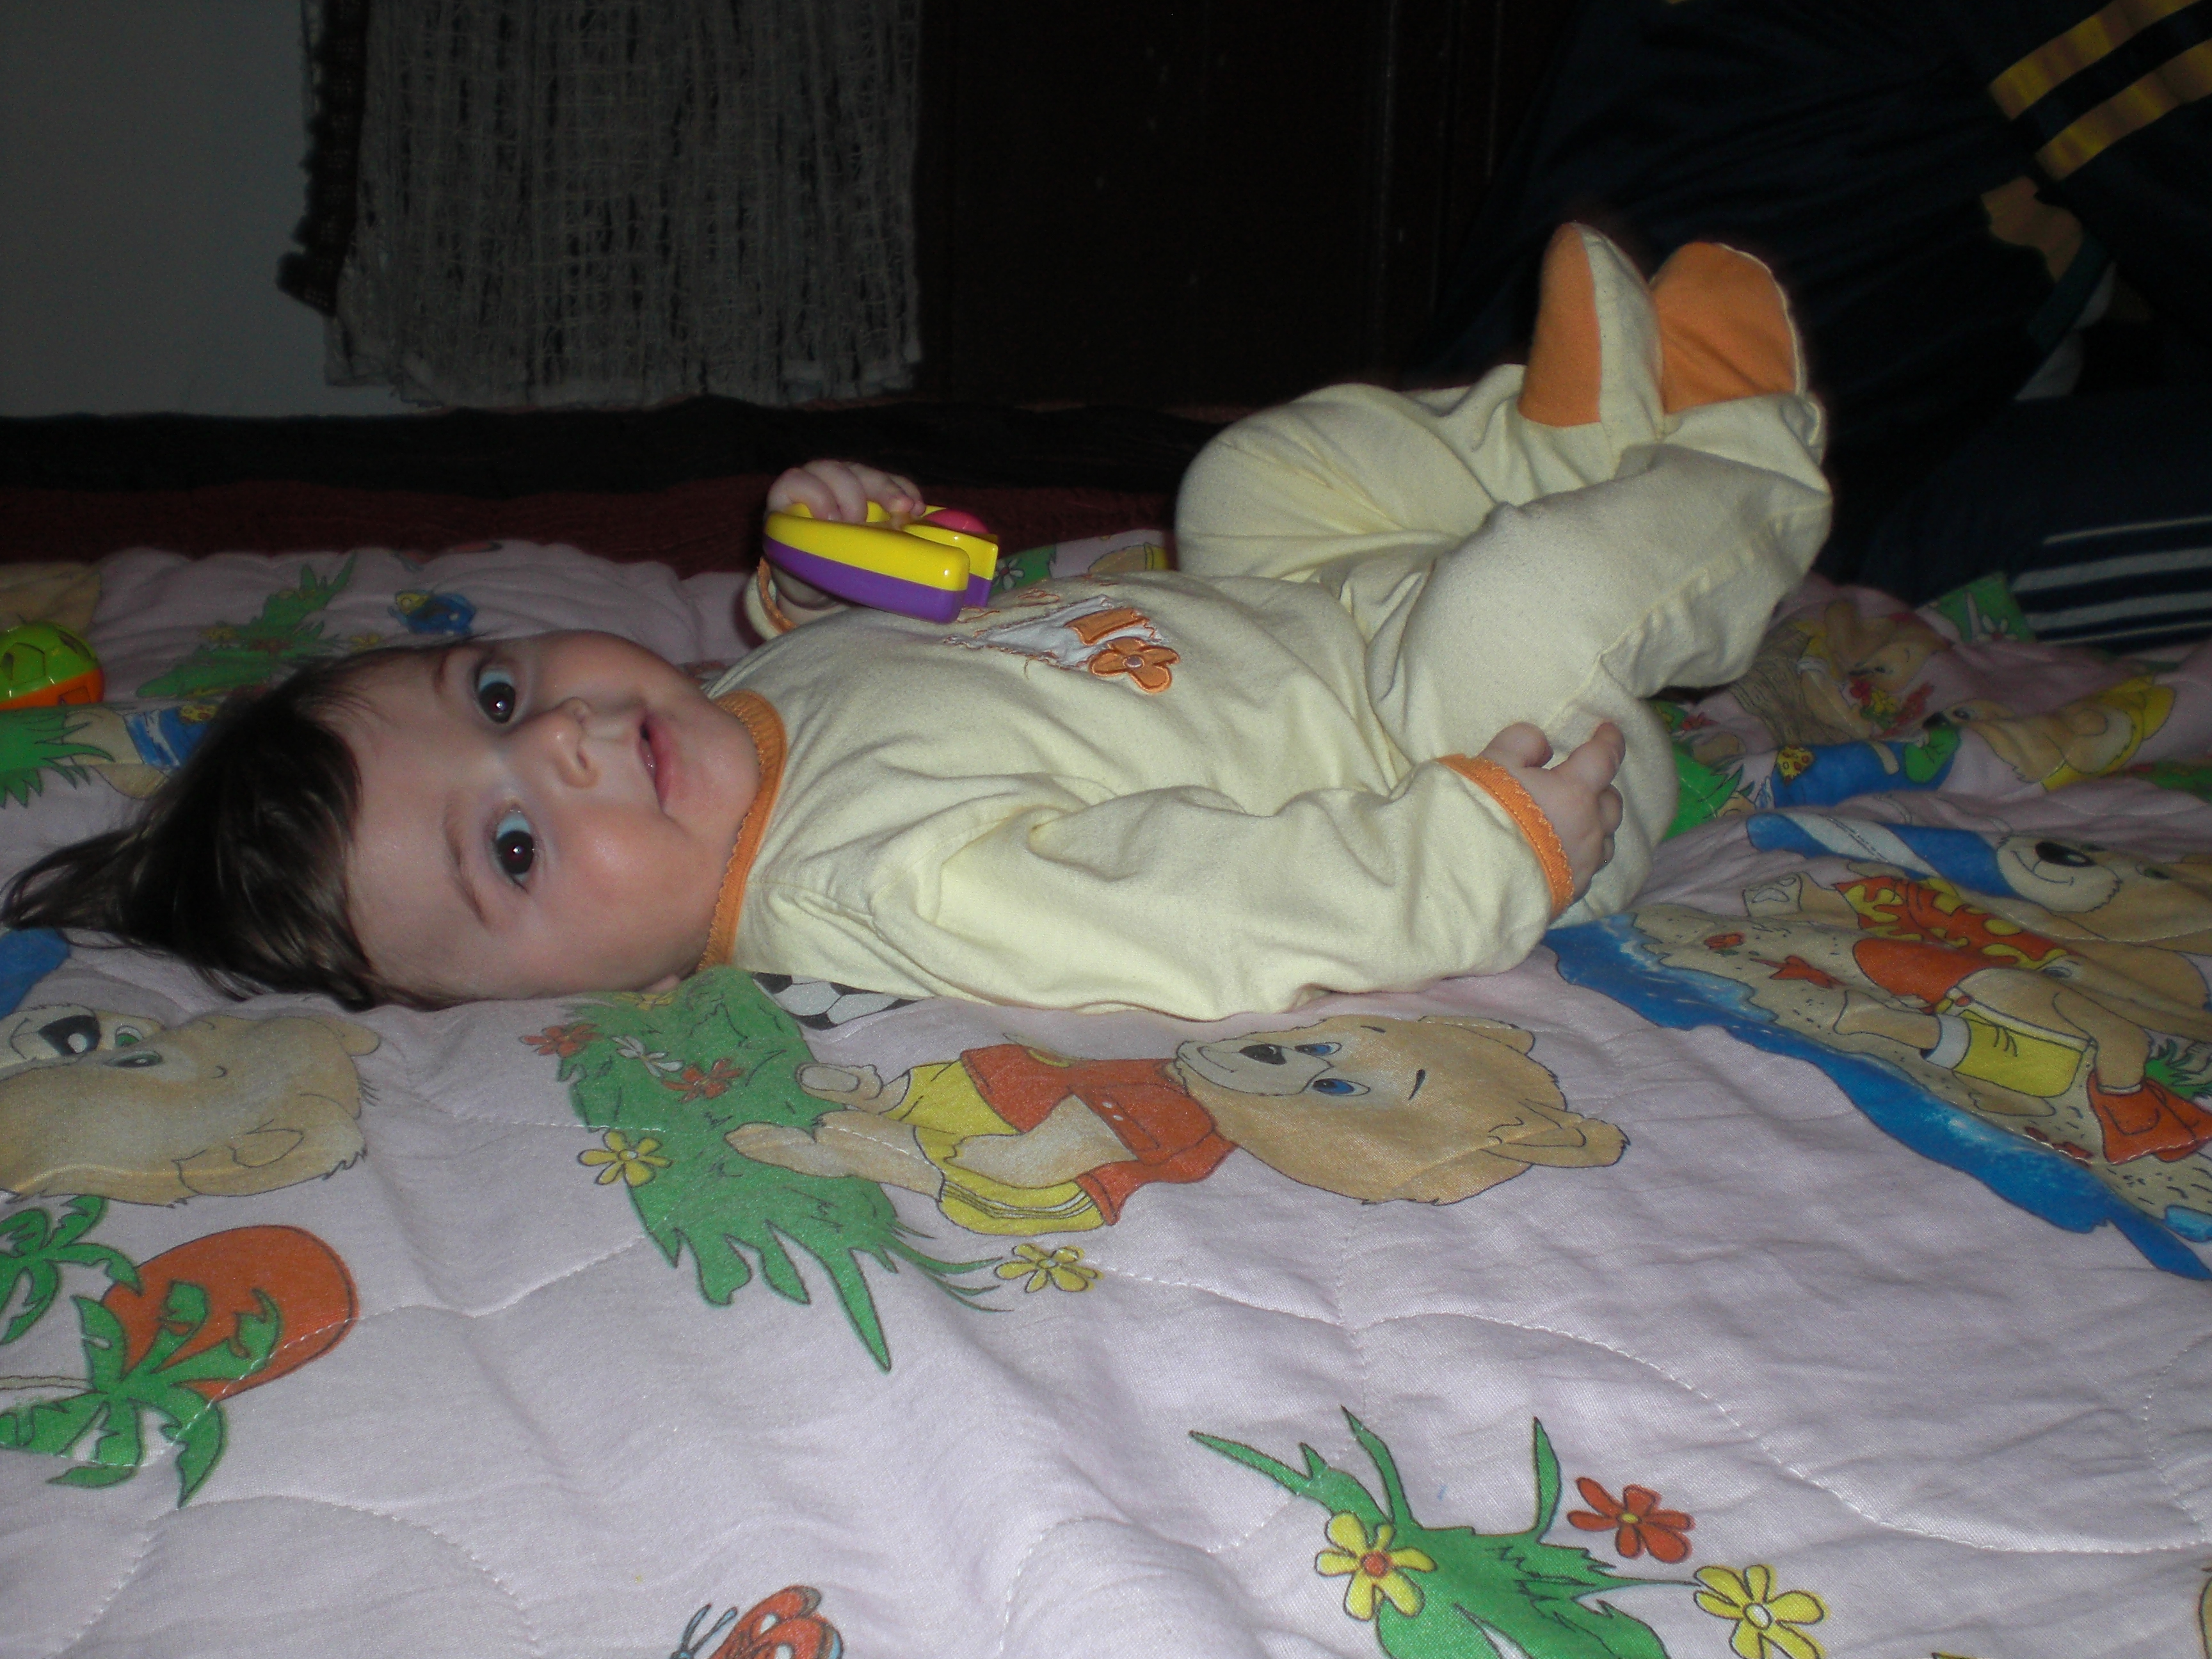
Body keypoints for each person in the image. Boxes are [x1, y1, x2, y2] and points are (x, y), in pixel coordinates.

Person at [1, 225, 1830, 1018]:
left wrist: (827, 579)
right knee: (1529, 598)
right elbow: (1191, 913)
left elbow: (918, 656)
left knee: (1242, 482)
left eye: (490, 693)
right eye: (515, 847)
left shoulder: (749, 718)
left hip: (1294, 610)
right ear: (564, 996)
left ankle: (1552, 442)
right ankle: (1747, 459)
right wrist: (1477, 851)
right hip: (1467, 751)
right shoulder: (875, 878)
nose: (556, 741)